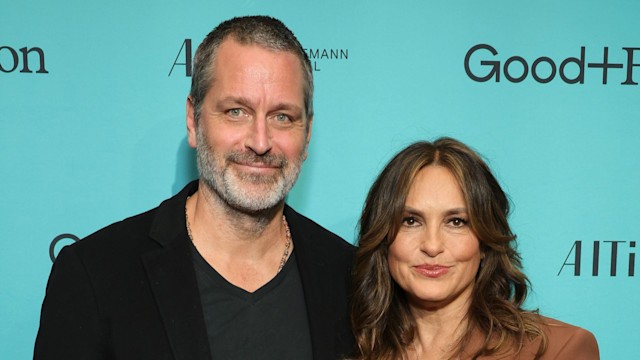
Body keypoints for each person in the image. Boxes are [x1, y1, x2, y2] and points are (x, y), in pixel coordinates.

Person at [35, 15, 355, 360]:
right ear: (193, 120)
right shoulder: (96, 275)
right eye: (236, 111)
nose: (260, 142)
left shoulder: (349, 277)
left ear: (306, 135)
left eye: (282, 117)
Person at [350, 138, 599, 360]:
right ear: (383, 239)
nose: (432, 245)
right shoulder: (349, 347)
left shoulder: (556, 350)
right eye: (411, 221)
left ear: (484, 241)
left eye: (456, 222)